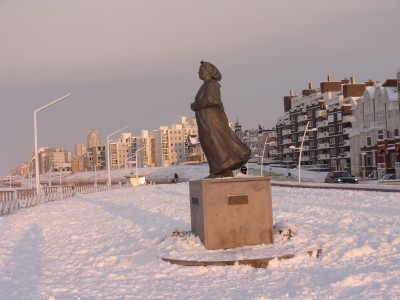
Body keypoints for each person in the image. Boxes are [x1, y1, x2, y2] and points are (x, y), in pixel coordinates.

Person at [190, 61, 250, 178]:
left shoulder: (211, 84)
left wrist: (195, 105)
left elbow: (213, 100)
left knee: (215, 142)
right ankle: (220, 170)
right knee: (210, 143)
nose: (198, 72)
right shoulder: (206, 85)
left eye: (201, 70)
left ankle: (220, 169)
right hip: (206, 121)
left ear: (208, 71)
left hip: (212, 121)